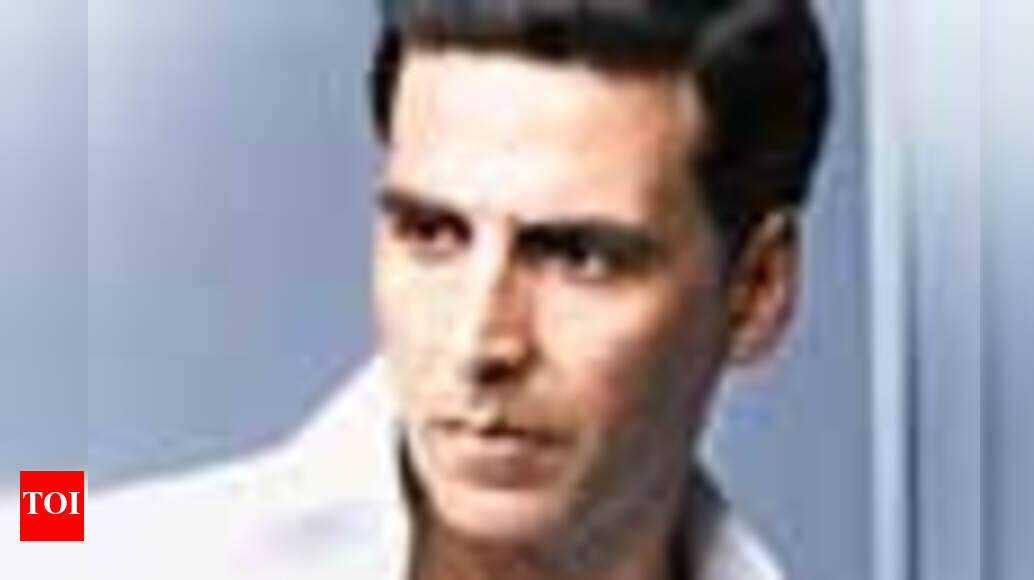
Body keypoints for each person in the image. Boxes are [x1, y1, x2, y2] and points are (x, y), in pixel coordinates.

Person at [6, 1, 829, 578]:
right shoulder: (94, 544)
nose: (480, 341)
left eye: (580, 256)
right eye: (433, 234)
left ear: (758, 288)